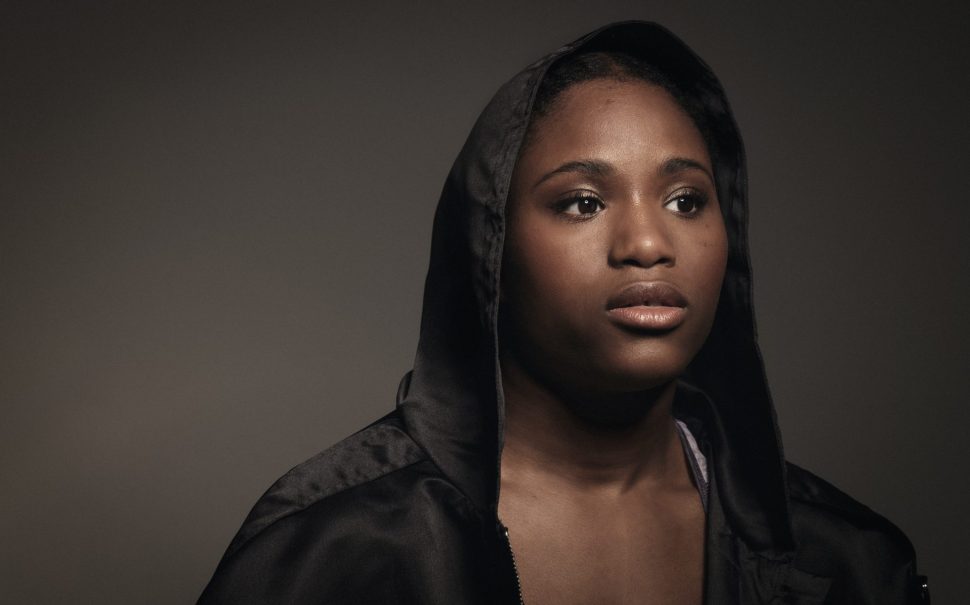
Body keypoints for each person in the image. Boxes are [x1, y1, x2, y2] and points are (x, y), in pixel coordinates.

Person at [197, 21, 928, 604]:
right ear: (491, 248)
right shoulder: (332, 550)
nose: (647, 243)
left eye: (685, 201)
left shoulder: (849, 557)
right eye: (582, 202)